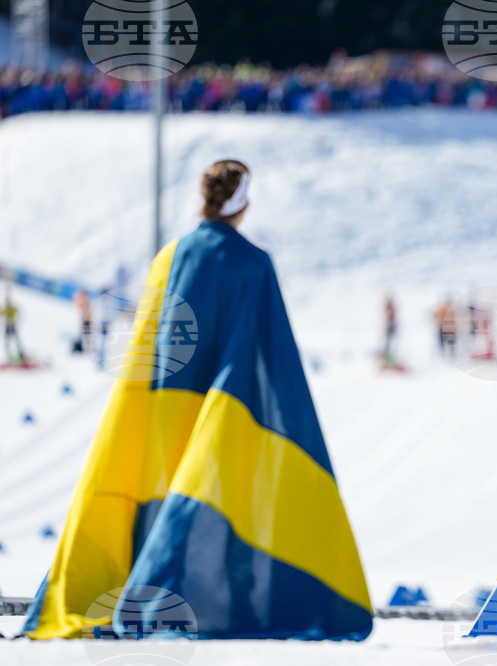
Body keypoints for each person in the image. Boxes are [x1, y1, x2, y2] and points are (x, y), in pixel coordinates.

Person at [23, 160, 373, 641]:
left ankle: (137, 593)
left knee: (158, 499)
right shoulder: (253, 263)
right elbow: (269, 349)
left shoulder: (170, 255)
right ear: (242, 204)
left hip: (163, 404)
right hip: (223, 405)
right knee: (217, 502)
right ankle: (198, 602)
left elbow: (148, 338)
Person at [2, 290, 24, 365]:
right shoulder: (4, 308)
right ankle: (9, 356)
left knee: (16, 340)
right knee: (7, 341)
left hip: (12, 325)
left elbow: (18, 315)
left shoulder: (13, 308)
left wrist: (15, 320)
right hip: (7, 326)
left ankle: (21, 355)